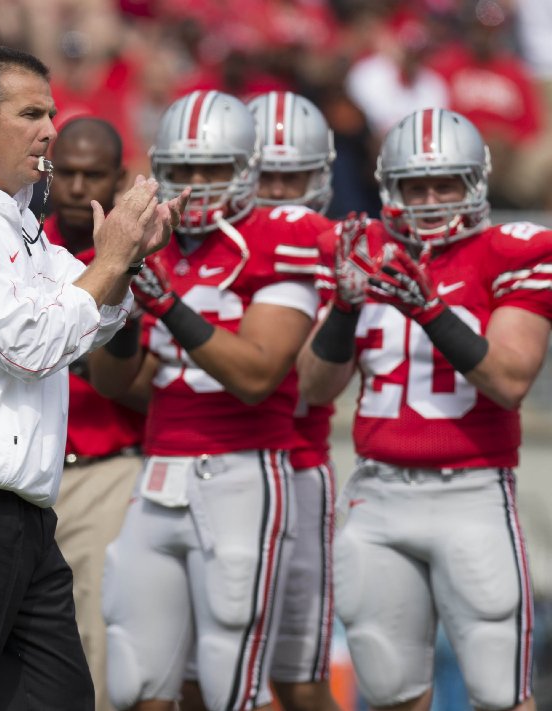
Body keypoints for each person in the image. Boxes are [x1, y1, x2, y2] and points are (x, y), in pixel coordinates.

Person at [0, 46, 185, 711]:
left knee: (59, 698)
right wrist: (110, 261)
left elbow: (90, 320)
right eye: (32, 114)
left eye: (51, 113)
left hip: (13, 501)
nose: (50, 130)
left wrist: (126, 262)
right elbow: (33, 345)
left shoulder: (10, 212)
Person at [89, 89, 331, 711]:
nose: (197, 184)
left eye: (213, 168)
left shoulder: (280, 236)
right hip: (160, 469)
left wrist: (167, 303)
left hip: (244, 470)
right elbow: (113, 382)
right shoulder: (154, 239)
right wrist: (124, 299)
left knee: (232, 684)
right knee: (137, 678)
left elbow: (256, 375)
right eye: (183, 168)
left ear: (247, 168)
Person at [297, 107, 545, 711]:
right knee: (390, 694)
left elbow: (509, 380)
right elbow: (314, 387)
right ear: (391, 188)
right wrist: (345, 309)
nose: (431, 201)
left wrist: (431, 310)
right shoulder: (364, 249)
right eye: (416, 186)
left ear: (476, 182)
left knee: (501, 696)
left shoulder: (510, 251)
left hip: (472, 492)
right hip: (378, 494)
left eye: (445, 184)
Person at [42, 116, 144, 711]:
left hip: (104, 470)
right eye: (67, 173)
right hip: (18, 473)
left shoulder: (142, 255)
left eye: (94, 175)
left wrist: (67, 346)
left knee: (96, 651)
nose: (78, 187)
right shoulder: (21, 244)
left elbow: (148, 388)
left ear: (120, 177)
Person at [245, 90, 342, 711]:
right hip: (198, 459)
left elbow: (308, 380)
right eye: (266, 175)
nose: (279, 191)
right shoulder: (204, 242)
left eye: (293, 176)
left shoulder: (332, 250)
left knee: (297, 678)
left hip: (297, 461)